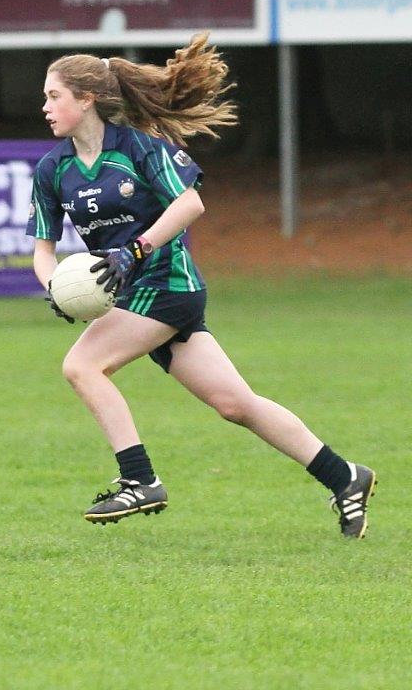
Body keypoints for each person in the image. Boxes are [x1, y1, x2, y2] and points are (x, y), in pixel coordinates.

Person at [27, 32, 376, 538]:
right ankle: (344, 476)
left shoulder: (139, 150)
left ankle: (139, 478)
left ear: (87, 100)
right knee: (236, 404)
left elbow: (190, 203)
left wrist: (135, 250)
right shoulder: (53, 169)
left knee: (82, 365)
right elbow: (42, 249)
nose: (45, 107)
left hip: (167, 282)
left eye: (53, 96)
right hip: (135, 297)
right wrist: (54, 286)